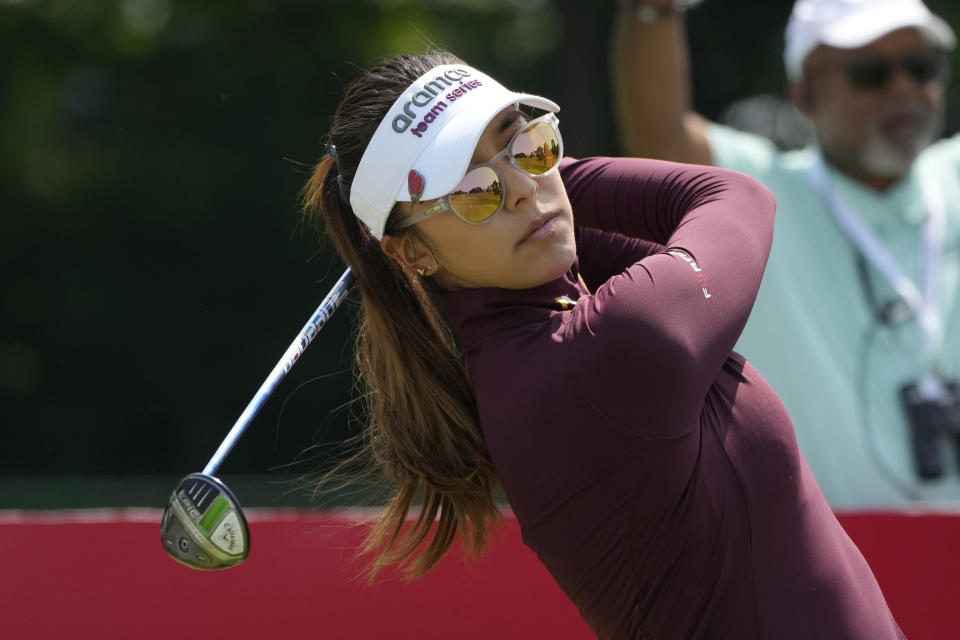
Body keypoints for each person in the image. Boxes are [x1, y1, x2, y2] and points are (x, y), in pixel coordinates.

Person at [300, 50, 905, 638]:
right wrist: (550, 175)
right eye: (473, 189)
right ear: (412, 252)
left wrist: (522, 179)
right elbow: (736, 199)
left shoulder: (546, 326)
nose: (520, 190)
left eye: (527, 144)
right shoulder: (604, 353)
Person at [612, 0, 960, 507]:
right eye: (871, 73)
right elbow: (658, 139)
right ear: (804, 96)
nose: (904, 88)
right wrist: (654, 10)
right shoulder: (762, 197)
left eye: (922, 67)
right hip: (834, 575)